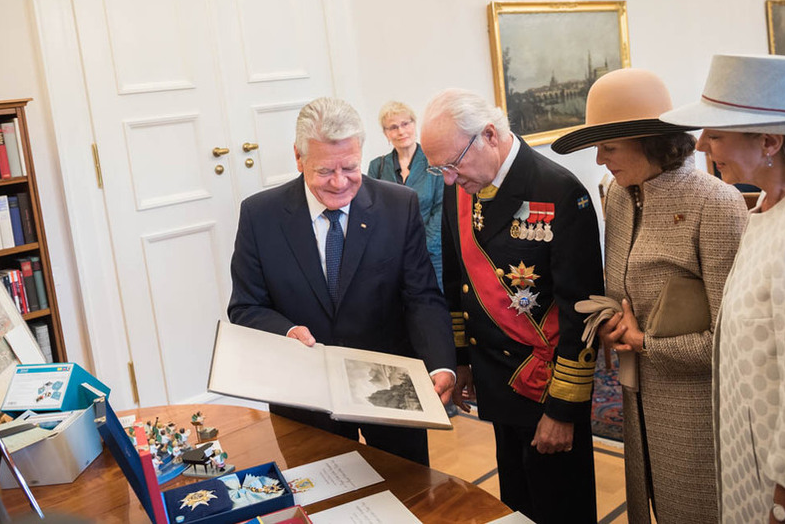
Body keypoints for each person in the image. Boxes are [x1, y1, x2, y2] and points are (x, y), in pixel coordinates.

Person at [661, 53, 785, 524]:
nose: (702, 145)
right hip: (755, 467)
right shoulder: (777, 203)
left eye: (717, 133)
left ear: (769, 142)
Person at [551, 68, 748, 523]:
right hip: (634, 401)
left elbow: (730, 343)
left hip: (696, 410)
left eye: (609, 147)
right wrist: (608, 323)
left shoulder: (715, 205)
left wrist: (646, 344)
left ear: (649, 141)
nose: (599, 160)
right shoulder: (618, 196)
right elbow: (621, 293)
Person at [227, 97, 456, 466]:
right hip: (305, 396)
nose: (339, 183)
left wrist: (441, 364)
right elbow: (245, 307)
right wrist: (286, 332)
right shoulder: (260, 216)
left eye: (350, 167)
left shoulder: (400, 206)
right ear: (298, 159)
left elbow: (422, 297)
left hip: (391, 392)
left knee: (408, 496)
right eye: (324, 171)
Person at [420, 88, 604, 524]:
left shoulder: (559, 191)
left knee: (560, 507)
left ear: (489, 135)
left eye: (451, 163)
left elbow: (582, 313)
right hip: (495, 383)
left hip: (546, 387)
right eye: (438, 167)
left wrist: (563, 410)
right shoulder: (461, 188)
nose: (447, 178)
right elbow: (456, 283)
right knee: (516, 505)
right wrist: (461, 360)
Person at [367, 101, 444, 287]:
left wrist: (419, 247)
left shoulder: (435, 161)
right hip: (391, 259)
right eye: (393, 127)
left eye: (405, 124)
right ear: (386, 133)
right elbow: (371, 213)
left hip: (431, 255)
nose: (401, 131)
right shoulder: (377, 167)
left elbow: (441, 209)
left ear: (414, 124)